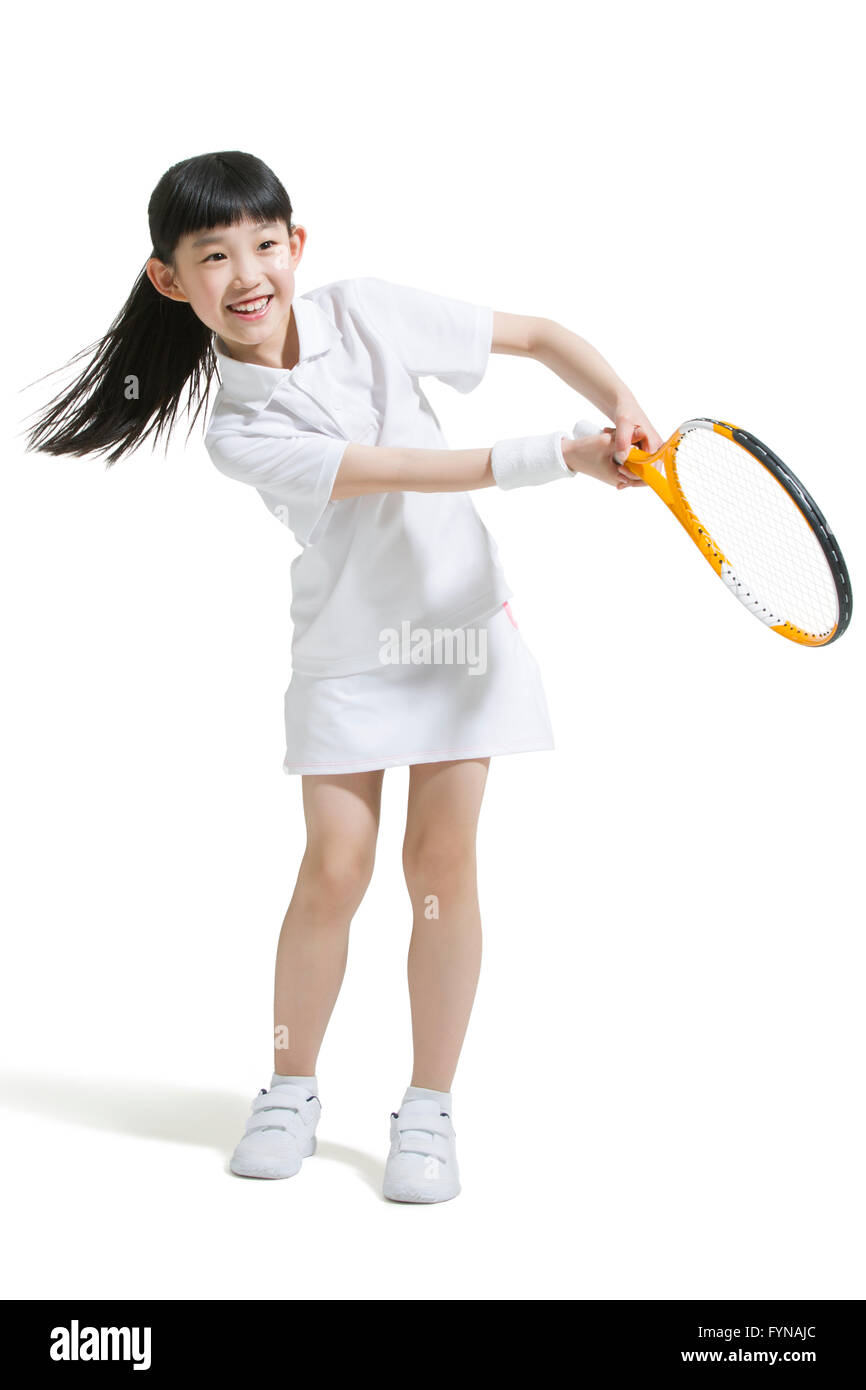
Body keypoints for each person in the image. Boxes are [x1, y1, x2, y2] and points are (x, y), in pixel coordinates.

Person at [25, 150, 663, 1203]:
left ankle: (429, 1107)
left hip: (460, 632)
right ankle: (288, 1086)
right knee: (333, 870)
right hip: (350, 656)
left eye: (264, 245)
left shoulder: (367, 310)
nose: (247, 274)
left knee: (439, 866)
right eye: (213, 254)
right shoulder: (240, 428)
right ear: (170, 280)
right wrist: (562, 453)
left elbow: (541, 337)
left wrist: (623, 407)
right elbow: (403, 472)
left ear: (296, 245)